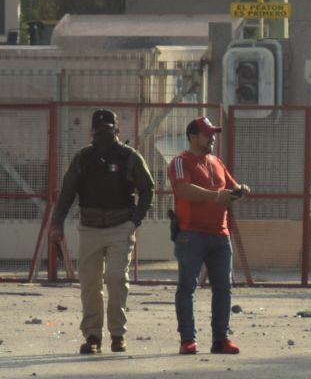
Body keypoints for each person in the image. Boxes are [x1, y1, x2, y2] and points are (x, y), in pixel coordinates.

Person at [49, 109, 154, 355]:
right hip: (90, 228)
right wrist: (57, 223)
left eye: (108, 129)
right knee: (89, 283)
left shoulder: (130, 157)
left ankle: (118, 334)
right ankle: (93, 336)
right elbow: (67, 192)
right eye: (99, 130)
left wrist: (135, 220)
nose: (103, 134)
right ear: (91, 131)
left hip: (120, 227)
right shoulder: (83, 158)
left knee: (116, 278)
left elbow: (148, 188)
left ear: (117, 130)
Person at [168, 117, 249, 355]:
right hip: (191, 235)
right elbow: (183, 189)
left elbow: (231, 188)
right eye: (207, 134)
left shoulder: (217, 162)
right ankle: (187, 339)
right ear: (193, 137)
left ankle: (221, 339)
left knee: (223, 287)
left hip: (220, 235)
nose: (212, 138)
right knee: (187, 287)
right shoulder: (180, 162)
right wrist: (216, 196)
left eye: (213, 134)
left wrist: (240, 191)